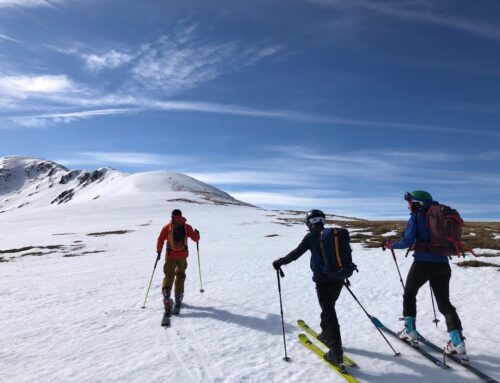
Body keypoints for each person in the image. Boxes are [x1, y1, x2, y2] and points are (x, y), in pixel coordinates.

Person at [384, 191, 468, 362]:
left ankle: (409, 330)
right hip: (442, 265)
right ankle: (457, 343)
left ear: (418, 203)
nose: (408, 206)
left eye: (410, 202)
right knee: (444, 303)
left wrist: (391, 244)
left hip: (422, 264)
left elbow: (407, 241)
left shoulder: (417, 217)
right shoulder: (441, 215)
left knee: (409, 293)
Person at [272, 209, 346, 366]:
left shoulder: (311, 236)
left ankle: (336, 351)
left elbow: (295, 254)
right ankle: (326, 334)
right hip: (339, 279)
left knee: (328, 311)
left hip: (323, 280)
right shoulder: (331, 235)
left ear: (309, 223)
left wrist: (280, 262)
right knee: (329, 307)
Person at [157, 209, 200, 316]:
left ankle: (166, 297)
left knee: (168, 275)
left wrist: (158, 251)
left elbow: (160, 239)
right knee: (180, 275)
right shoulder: (187, 227)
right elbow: (196, 239)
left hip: (170, 255)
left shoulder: (167, 227)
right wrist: (197, 234)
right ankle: (178, 297)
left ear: (172, 216)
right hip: (182, 256)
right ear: (181, 216)